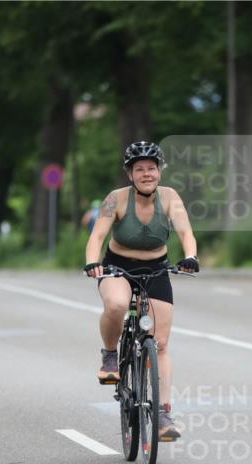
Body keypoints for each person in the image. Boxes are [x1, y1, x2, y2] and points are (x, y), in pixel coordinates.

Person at [83, 141, 199, 442]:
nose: (146, 174)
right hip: (118, 267)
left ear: (159, 171)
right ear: (130, 174)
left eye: (151, 168)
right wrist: (92, 263)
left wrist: (191, 256)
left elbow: (186, 232)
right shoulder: (115, 199)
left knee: (160, 342)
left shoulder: (170, 197)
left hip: (156, 268)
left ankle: (162, 414)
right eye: (139, 169)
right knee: (117, 306)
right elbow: (97, 235)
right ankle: (110, 355)